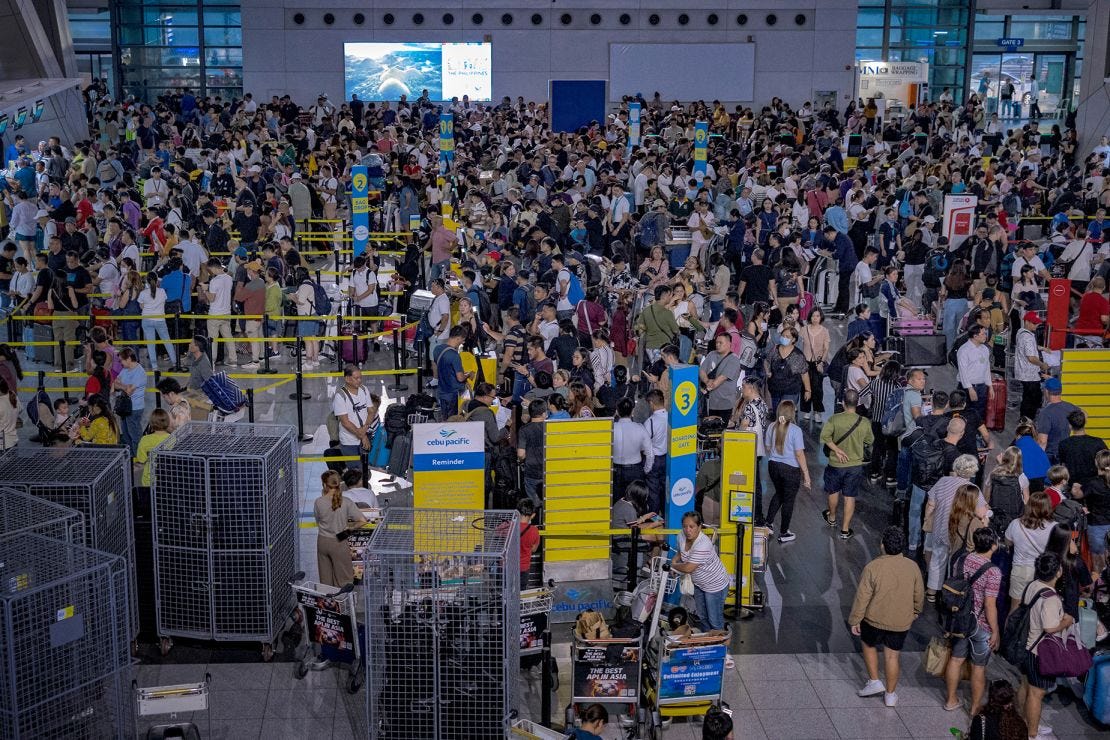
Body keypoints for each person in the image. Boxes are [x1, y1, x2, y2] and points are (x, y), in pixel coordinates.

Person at [848, 526, 924, 708]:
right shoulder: (912, 567)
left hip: (873, 619)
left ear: (882, 545)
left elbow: (862, 597)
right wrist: (915, 611)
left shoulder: (873, 567)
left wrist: (855, 619)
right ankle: (890, 695)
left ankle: (874, 681)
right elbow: (918, 594)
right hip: (900, 622)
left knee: (868, 644)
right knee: (892, 657)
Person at [944, 527, 1002, 716]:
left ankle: (951, 699)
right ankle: (975, 708)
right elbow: (989, 604)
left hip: (960, 618)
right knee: (979, 667)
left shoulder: (961, 559)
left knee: (956, 659)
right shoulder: (993, 572)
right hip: (980, 625)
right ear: (993, 546)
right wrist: (995, 630)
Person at [1016, 552, 1072, 740]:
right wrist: (1067, 621)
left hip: (1025, 646)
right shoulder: (1051, 598)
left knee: (1025, 685)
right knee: (1036, 693)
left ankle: (1025, 722)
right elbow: (1050, 628)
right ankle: (1032, 734)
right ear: (1058, 572)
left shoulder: (1033, 585)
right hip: (1039, 651)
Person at [671, 511, 733, 659]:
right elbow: (680, 551)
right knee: (703, 617)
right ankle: (708, 646)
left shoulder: (703, 544)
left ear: (699, 527)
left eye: (692, 526)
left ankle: (724, 653)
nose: (688, 530)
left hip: (715, 585)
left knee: (714, 619)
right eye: (685, 526)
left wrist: (673, 566)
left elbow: (688, 568)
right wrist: (675, 559)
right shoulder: (681, 535)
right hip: (699, 583)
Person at [820, 388, 875, 540]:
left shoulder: (834, 419)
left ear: (843, 403)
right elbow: (869, 441)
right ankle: (845, 530)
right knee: (849, 496)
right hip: (855, 465)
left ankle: (831, 517)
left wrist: (837, 450)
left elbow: (824, 437)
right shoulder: (863, 422)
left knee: (833, 492)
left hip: (836, 464)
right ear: (857, 404)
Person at [763, 400, 811, 543]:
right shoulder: (796, 430)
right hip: (790, 470)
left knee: (779, 493)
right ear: (792, 413)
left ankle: (768, 523)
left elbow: (767, 447)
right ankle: (784, 532)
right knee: (789, 500)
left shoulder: (771, 426)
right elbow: (799, 454)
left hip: (773, 466)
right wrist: (806, 475)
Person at [313, 470, 366, 587]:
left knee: (325, 579)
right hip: (339, 540)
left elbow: (318, 521)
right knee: (344, 580)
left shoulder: (318, 502)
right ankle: (343, 603)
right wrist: (348, 529)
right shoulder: (346, 502)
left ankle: (329, 603)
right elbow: (362, 521)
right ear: (339, 483)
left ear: (324, 484)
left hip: (322, 541)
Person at [1004, 491, 1056, 611]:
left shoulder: (1015, 524)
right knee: (1038, 610)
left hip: (1020, 570)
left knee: (1014, 610)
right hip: (1043, 572)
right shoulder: (1054, 527)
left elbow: (1008, 543)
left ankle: (1011, 630)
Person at [612, 397, 652, 501]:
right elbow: (650, 454)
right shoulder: (640, 428)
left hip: (615, 470)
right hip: (635, 470)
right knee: (636, 502)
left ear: (617, 411)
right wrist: (646, 470)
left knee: (617, 502)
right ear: (632, 411)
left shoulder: (611, 429)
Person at [133, 408, 171, 516]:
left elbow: (141, 459)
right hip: (167, 478)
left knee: (150, 507)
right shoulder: (172, 438)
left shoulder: (145, 440)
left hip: (149, 477)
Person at [1057, 409, 1107, 488]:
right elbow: (1106, 463)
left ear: (1070, 425)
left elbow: (1063, 466)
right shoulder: (1098, 442)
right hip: (1095, 486)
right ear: (1085, 422)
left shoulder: (1064, 444)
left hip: (1073, 485)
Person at [699, 332, 742, 419]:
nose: (717, 345)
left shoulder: (734, 359)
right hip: (709, 402)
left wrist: (711, 384)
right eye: (716, 342)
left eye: (720, 343)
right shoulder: (711, 354)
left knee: (720, 430)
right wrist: (707, 381)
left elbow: (722, 378)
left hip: (724, 403)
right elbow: (702, 371)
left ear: (729, 344)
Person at [137, 272, 176, 368]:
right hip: (160, 320)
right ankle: (175, 362)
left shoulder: (143, 293)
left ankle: (154, 366)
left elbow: (141, 306)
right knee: (167, 341)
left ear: (147, 281)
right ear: (157, 279)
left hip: (146, 319)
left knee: (151, 343)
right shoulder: (162, 291)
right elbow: (164, 301)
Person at [1034, 378, 1078, 463]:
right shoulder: (1070, 407)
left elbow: (1042, 442)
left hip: (1051, 455)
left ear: (1046, 391)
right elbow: (1084, 414)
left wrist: (1037, 460)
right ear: (1060, 391)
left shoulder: (1045, 413)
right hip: (1065, 452)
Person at [113, 348, 147, 456]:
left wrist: (122, 386)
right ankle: (131, 456)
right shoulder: (125, 370)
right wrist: (124, 386)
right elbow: (114, 384)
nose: (120, 363)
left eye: (121, 360)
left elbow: (129, 391)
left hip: (135, 408)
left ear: (128, 359)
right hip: (125, 408)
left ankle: (139, 456)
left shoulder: (140, 372)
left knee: (135, 435)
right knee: (126, 434)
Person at [434, 326, 471, 420]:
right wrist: (469, 374)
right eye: (463, 340)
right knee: (453, 420)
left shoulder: (437, 349)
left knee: (444, 417)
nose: (463, 342)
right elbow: (460, 378)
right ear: (458, 338)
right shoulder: (454, 356)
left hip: (441, 391)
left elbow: (442, 368)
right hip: (453, 394)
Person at [516, 399, 547, 507]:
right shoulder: (550, 428)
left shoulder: (524, 430)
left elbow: (521, 454)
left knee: (533, 504)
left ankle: (534, 522)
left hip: (531, 472)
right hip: (547, 470)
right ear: (544, 413)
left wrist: (522, 460)